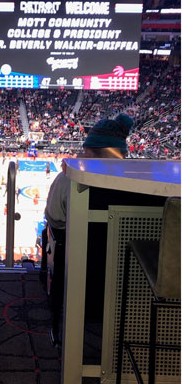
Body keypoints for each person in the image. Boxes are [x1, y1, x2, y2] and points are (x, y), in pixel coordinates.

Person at [43, 113, 134, 344]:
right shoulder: (144, 180)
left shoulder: (67, 180)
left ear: (92, 151)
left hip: (79, 272)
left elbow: (54, 219)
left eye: (84, 151)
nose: (80, 154)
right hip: (129, 281)